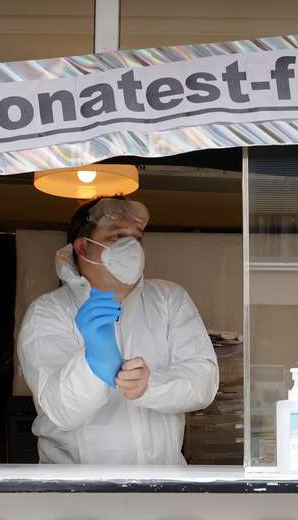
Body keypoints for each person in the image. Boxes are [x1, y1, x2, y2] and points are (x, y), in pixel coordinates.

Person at [18, 196, 219, 464]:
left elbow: (203, 383)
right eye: (117, 237)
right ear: (82, 246)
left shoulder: (169, 299)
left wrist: (150, 385)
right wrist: (92, 363)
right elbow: (61, 411)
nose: (131, 248)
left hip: (161, 489)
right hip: (78, 494)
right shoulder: (48, 312)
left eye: (136, 239)